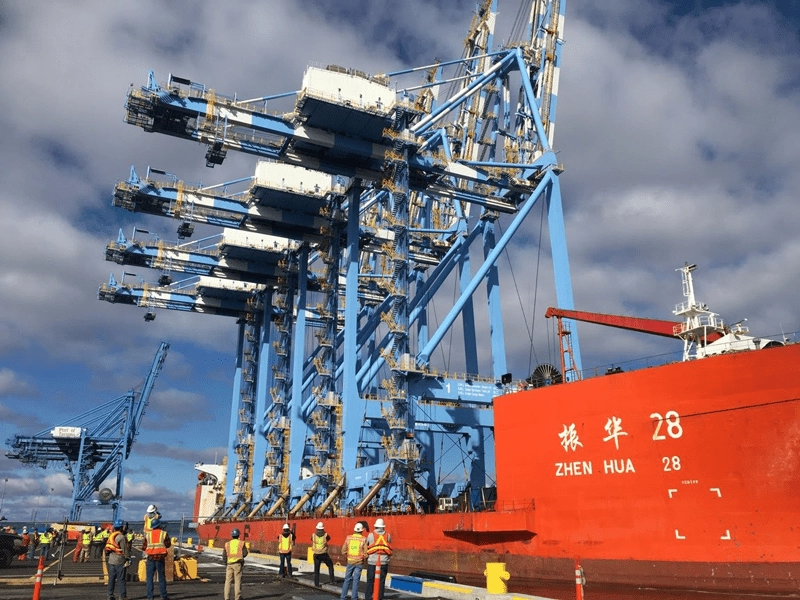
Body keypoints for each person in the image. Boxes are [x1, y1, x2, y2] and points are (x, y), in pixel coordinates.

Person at [142, 517, 171, 600]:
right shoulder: (164, 533)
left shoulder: (148, 535)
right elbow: (168, 544)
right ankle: (163, 596)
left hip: (150, 558)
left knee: (150, 578)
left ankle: (150, 597)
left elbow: (144, 547)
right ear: (159, 525)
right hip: (160, 558)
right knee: (161, 578)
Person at [364, 518, 392, 600]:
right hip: (384, 562)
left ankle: (368, 597)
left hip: (372, 562)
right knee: (381, 581)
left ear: (375, 526)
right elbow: (388, 544)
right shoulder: (388, 535)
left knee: (370, 581)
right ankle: (379, 597)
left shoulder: (370, 535)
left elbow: (367, 545)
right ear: (383, 527)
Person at [340, 522, 366, 600]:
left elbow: (343, 550)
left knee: (347, 580)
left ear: (354, 530)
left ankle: (343, 597)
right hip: (359, 563)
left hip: (350, 562)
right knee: (356, 581)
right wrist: (363, 559)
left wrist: (347, 556)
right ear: (362, 530)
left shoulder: (348, 538)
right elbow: (366, 553)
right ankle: (354, 598)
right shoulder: (364, 539)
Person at [105, 519, 130, 600]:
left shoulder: (111, 536)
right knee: (121, 579)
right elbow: (124, 549)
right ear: (121, 527)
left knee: (111, 579)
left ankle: (110, 595)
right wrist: (128, 559)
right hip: (119, 561)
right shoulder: (121, 537)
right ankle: (122, 596)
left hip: (111, 560)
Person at [222, 528, 248, 600]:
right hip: (237, 564)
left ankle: (226, 598)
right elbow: (245, 553)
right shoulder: (241, 543)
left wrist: (226, 563)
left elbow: (224, 555)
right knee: (237, 581)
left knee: (227, 582)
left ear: (232, 535)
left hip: (229, 564)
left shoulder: (227, 544)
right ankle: (237, 598)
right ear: (238, 535)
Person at [311, 521, 335, 587]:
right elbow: (328, 539)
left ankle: (316, 583)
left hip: (316, 554)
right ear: (323, 528)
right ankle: (331, 581)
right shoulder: (326, 535)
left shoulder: (313, 535)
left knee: (316, 569)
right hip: (323, 554)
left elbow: (311, 540)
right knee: (330, 565)